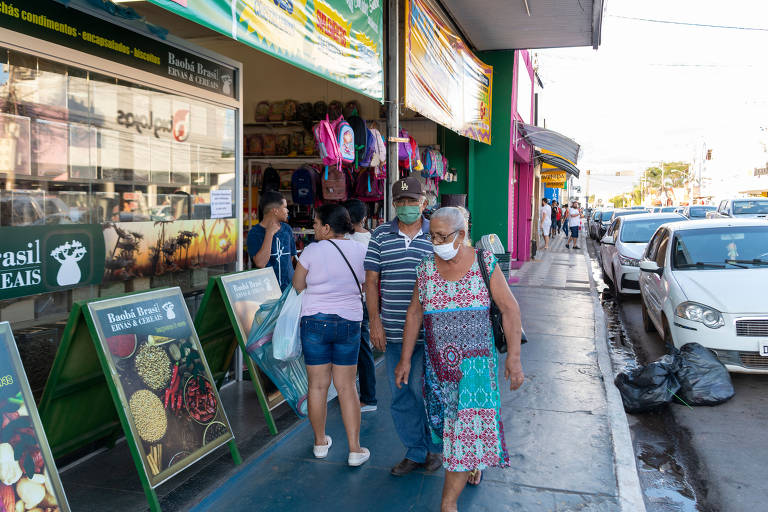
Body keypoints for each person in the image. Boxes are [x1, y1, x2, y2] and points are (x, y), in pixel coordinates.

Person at [394, 207, 524, 512]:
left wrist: (514, 359)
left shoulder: (484, 262)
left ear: (461, 234)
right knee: (447, 430)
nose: (436, 241)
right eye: (432, 236)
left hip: (476, 370)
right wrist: (405, 359)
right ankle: (472, 462)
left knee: (463, 435)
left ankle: (448, 503)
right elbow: (415, 312)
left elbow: (510, 309)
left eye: (442, 236)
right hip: (438, 369)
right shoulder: (426, 268)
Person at [365, 176, 443, 476]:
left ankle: (434, 449)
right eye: (402, 201)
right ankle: (415, 450)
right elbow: (371, 281)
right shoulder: (381, 235)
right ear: (394, 204)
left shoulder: (437, 233)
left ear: (424, 202)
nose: (408, 206)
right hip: (394, 331)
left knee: (428, 393)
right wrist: (374, 321)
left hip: (432, 334)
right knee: (401, 394)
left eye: (413, 201)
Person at [292, 204, 370, 467]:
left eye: (315, 223)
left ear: (327, 227)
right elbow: (364, 283)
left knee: (317, 386)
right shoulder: (360, 249)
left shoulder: (311, 251)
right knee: (347, 387)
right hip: (349, 322)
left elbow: (297, 285)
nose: (313, 227)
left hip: (314, 322)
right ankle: (355, 449)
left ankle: (319, 443)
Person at [343, 198, 377, 413]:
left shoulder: (342, 238)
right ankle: (364, 395)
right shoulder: (371, 239)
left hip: (345, 300)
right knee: (362, 349)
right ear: (364, 217)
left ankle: (368, 397)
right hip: (361, 300)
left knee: (353, 349)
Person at [247, 191, 297, 291]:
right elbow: (260, 263)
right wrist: (269, 233)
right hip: (266, 290)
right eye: (285, 207)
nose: (287, 211)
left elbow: (290, 258)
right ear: (275, 211)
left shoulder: (287, 229)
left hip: (288, 290)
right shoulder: (254, 233)